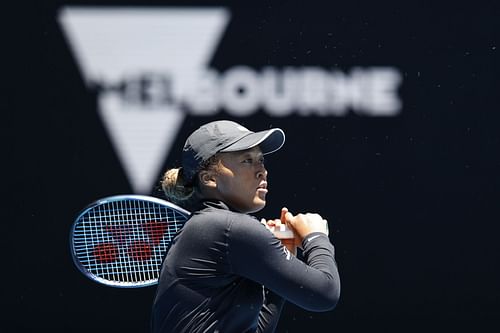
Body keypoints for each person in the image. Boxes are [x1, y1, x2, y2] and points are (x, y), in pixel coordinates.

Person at [151, 120, 340, 333]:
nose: (262, 171)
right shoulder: (229, 228)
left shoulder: (215, 228)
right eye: (247, 161)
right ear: (209, 178)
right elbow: (325, 294)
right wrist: (316, 237)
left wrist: (278, 270)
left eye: (261, 160)